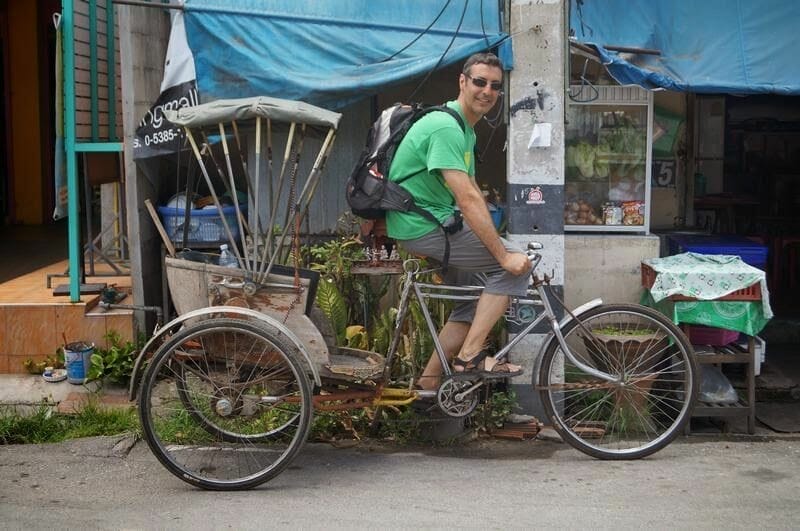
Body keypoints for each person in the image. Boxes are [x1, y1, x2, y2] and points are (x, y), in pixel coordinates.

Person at [385, 52, 531, 391]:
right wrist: (503, 255)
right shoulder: (446, 128)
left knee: (468, 305)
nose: (487, 91)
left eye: (495, 86)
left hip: (434, 223)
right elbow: (466, 198)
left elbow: (473, 195)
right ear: (462, 82)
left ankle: (428, 385)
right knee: (514, 270)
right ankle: (469, 357)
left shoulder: (465, 131)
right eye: (479, 82)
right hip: (422, 226)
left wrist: (495, 239)